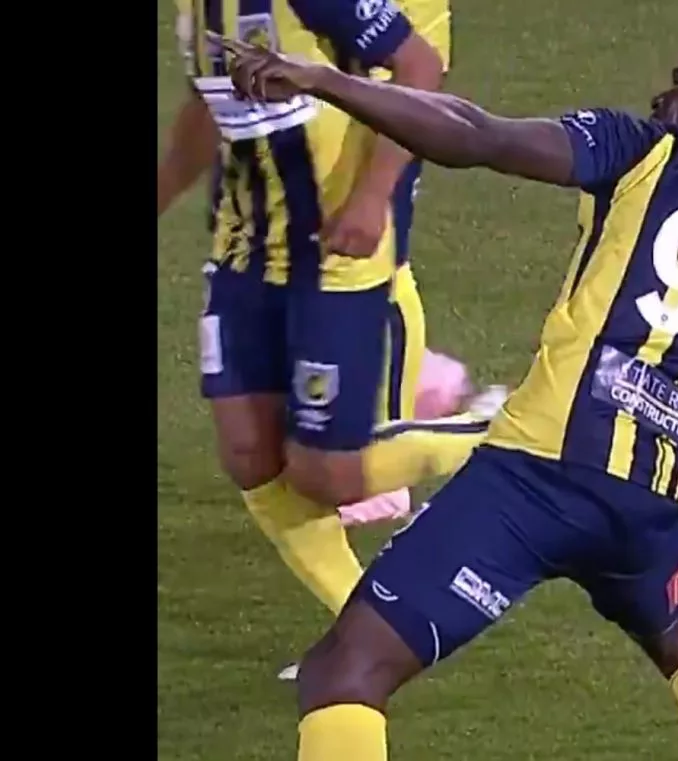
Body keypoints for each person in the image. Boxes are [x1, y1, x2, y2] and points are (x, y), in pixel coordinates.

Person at [219, 32, 678, 761]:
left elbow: (476, 135)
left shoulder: (648, 152)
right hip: (648, 508)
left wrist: (325, 81)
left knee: (343, 672)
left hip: (536, 478)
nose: (662, 96)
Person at [156, 0, 503, 631]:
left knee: (327, 475)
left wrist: (372, 197)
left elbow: (418, 66)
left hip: (332, 258)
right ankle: (361, 628)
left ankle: (502, 430)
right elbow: (208, 105)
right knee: (249, 453)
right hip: (243, 251)